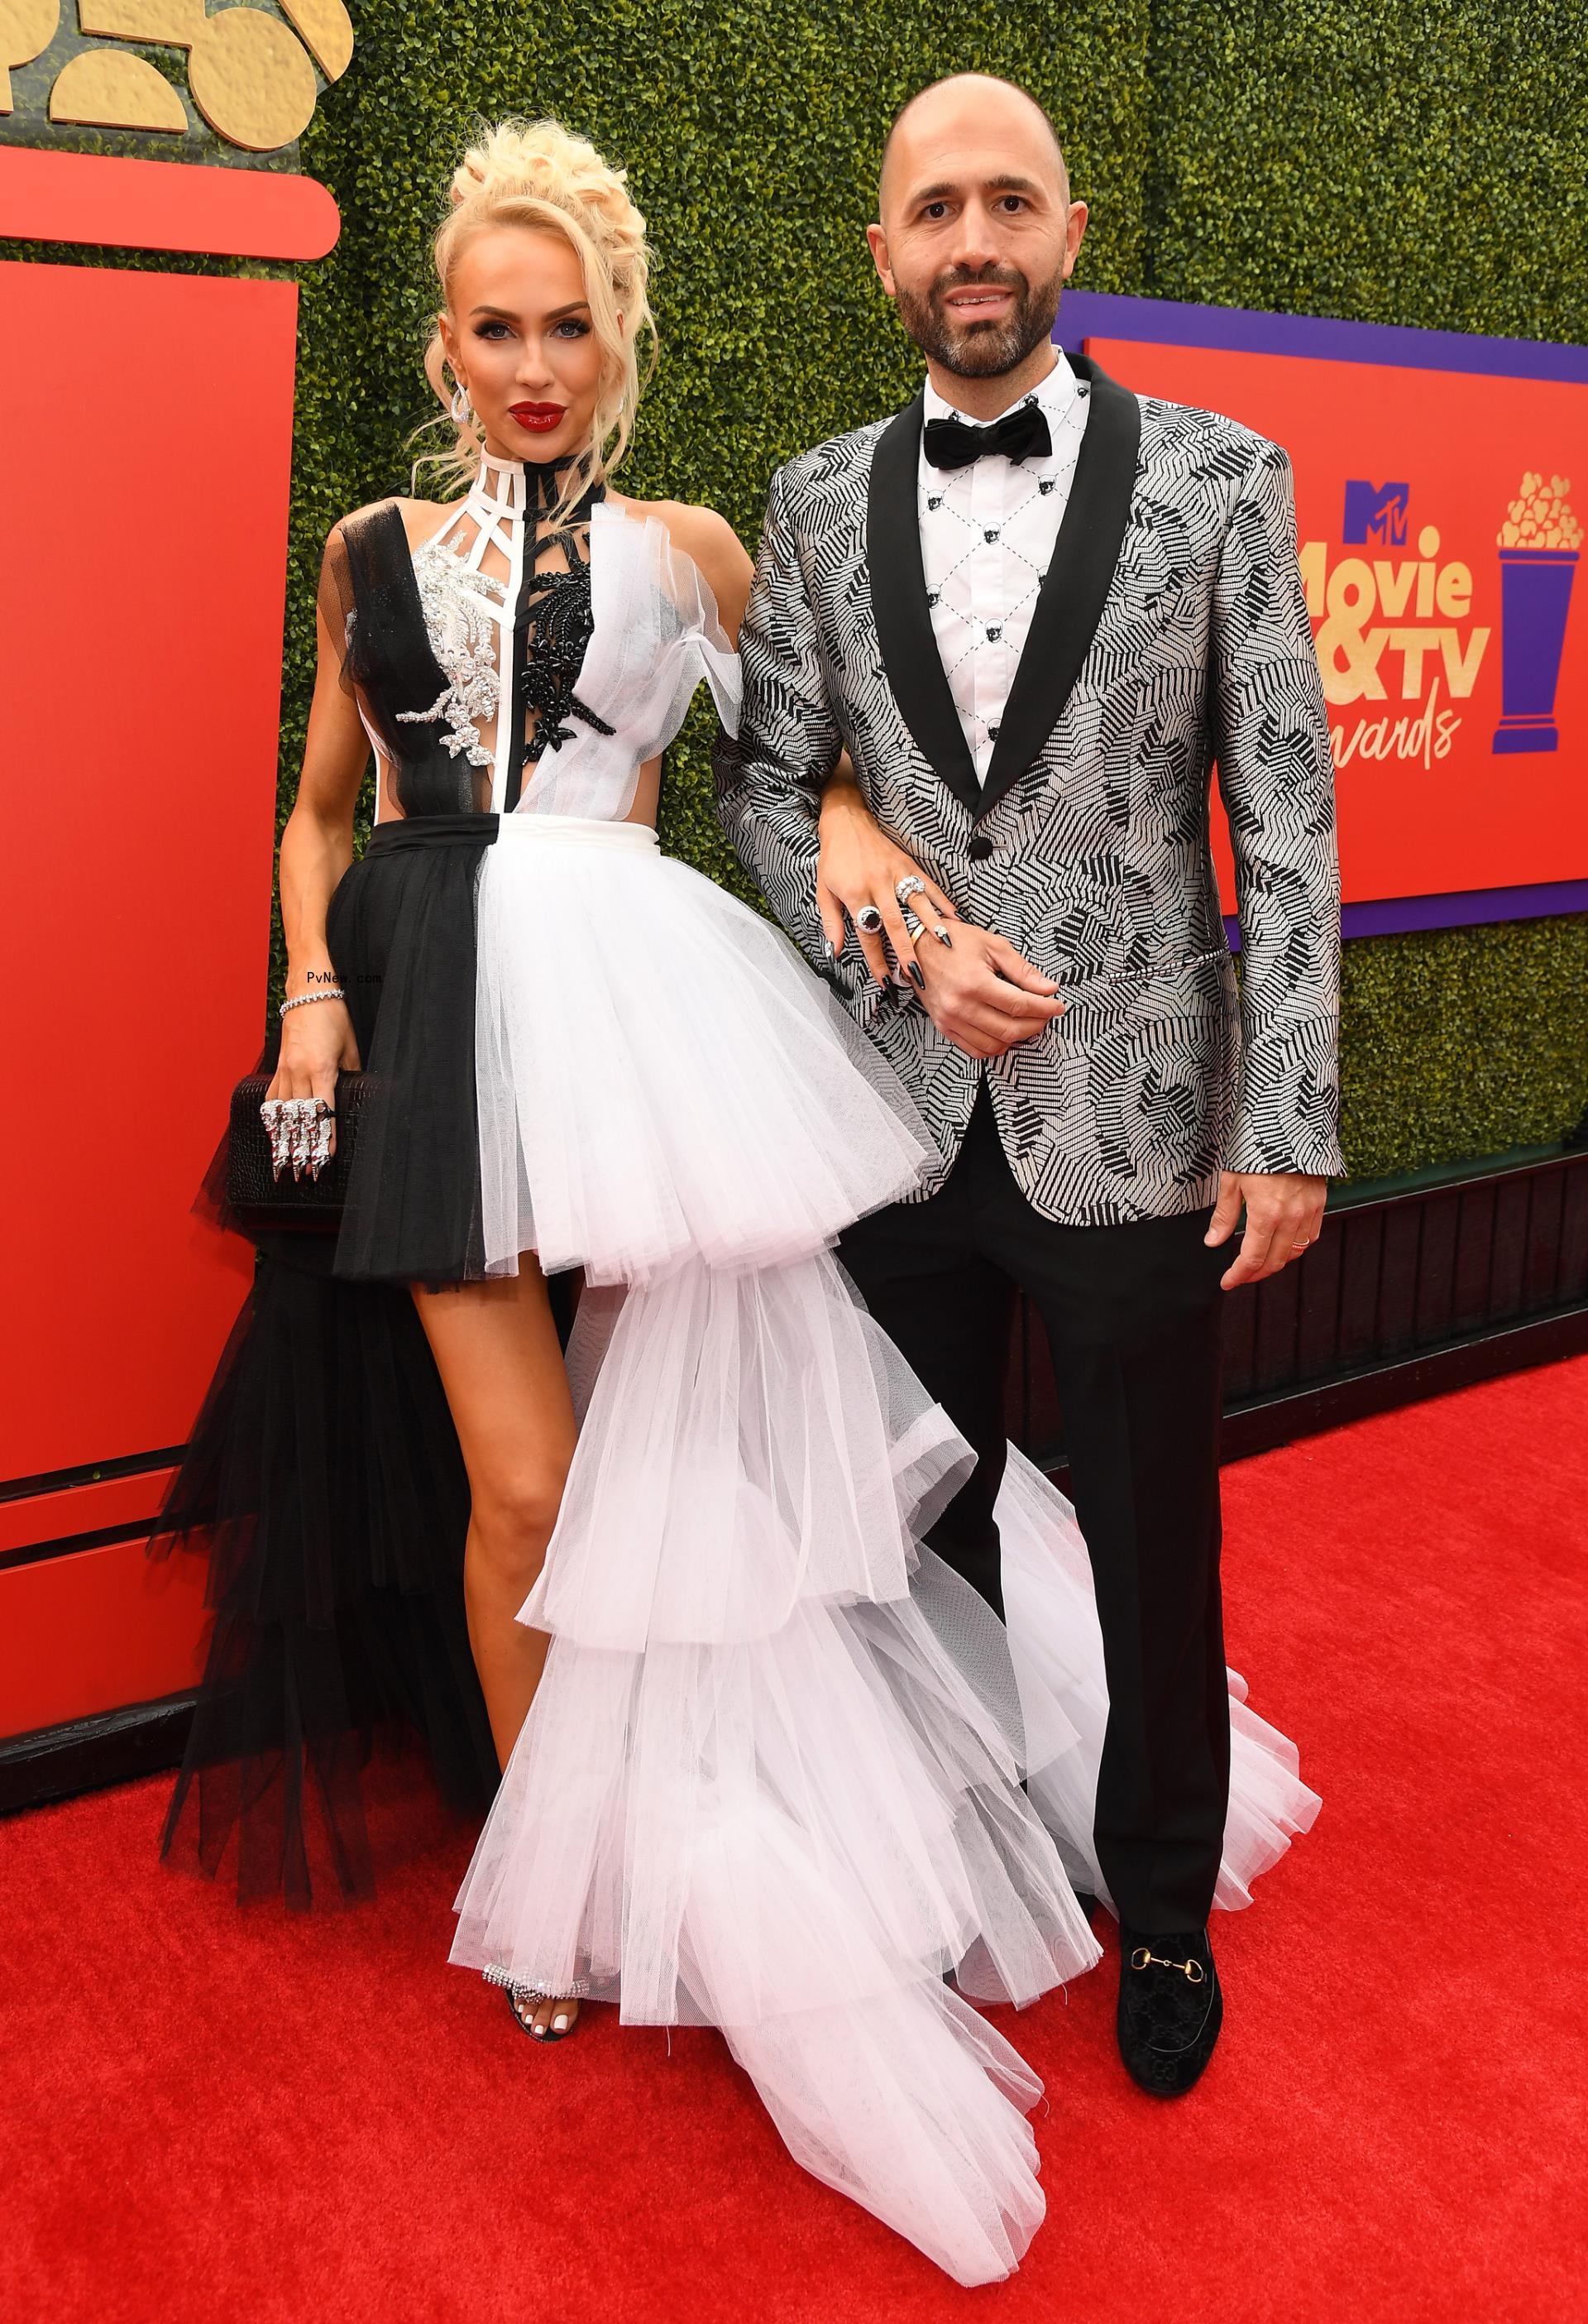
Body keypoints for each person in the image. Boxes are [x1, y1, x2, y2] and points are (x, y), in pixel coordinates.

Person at [154, 117, 1316, 2286]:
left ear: (616, 341)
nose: (531, 363)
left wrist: (865, 843)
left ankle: (918, 1823)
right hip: (430, 1019)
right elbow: (315, 805)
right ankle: (555, 1877)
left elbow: (813, 752)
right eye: (494, 328)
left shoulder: (696, 548)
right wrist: (307, 986)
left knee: (719, 1466)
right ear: (444, 343)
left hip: (649, 1034)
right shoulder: (366, 547)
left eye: (566, 326)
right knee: (529, 1487)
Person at [716, 71, 1342, 2104]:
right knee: (920, 1520)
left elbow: (1290, 822)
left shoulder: (1226, 480)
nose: (972, 241)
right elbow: (761, 785)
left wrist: (1288, 1117)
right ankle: (962, 1861)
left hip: (1138, 1121)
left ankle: (1158, 1904)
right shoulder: (814, 501)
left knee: (1154, 1534)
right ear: (883, 254)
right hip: (896, 1120)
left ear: (1067, 233)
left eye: (1008, 202)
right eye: (935, 210)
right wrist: (891, 922)